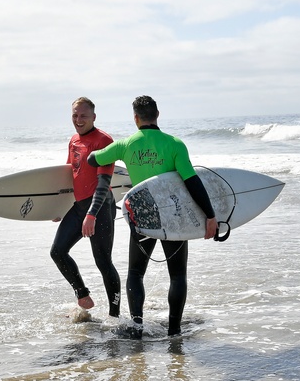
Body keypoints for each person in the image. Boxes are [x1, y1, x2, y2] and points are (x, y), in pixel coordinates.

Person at [88, 95, 217, 338]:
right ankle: (174, 330)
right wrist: (210, 216)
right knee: (177, 274)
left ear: (135, 118)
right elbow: (192, 183)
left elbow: (92, 159)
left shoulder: (126, 145)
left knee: (136, 273)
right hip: (173, 215)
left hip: (143, 215)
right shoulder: (175, 144)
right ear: (157, 115)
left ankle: (137, 326)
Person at [49, 97, 122, 317]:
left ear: (93, 117)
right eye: (74, 115)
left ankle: (115, 315)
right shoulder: (73, 140)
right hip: (79, 206)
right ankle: (82, 293)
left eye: (83, 116)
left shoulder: (103, 140)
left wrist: (91, 214)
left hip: (99, 207)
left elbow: (103, 183)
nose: (78, 120)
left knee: (103, 261)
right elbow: (72, 174)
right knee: (58, 252)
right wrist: (59, 207)